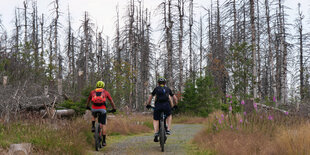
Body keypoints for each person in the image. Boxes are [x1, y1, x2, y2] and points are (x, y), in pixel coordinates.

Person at [146, 77, 178, 142]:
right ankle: (168, 129)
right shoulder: (168, 89)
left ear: (158, 83)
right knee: (169, 115)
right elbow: (174, 98)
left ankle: (156, 132)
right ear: (165, 83)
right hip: (166, 106)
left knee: (156, 119)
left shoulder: (156, 89)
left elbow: (150, 97)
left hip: (158, 105)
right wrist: (175, 105)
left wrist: (148, 104)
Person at [86, 81, 116, 146]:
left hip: (94, 108)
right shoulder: (105, 92)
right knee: (103, 124)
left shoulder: (92, 92)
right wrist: (114, 108)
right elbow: (111, 101)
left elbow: (88, 100)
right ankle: (104, 141)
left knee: (93, 115)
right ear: (103, 86)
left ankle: (93, 127)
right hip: (102, 109)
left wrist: (87, 106)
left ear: (96, 85)